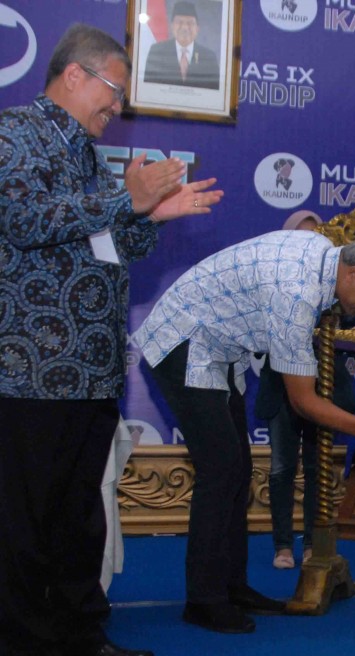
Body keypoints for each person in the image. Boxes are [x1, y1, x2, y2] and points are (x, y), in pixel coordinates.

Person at [0, 23, 222, 656]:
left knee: (78, 519)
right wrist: (124, 199)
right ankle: (21, 641)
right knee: (25, 521)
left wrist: (148, 214)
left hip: (91, 372)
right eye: (114, 92)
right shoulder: (15, 134)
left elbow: (111, 249)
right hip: (31, 370)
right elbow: (21, 221)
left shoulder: (88, 156)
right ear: (75, 75)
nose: (117, 109)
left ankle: (78, 636)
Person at [134, 232, 355, 634]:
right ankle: (204, 599)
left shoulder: (322, 256)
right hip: (185, 341)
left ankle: (231, 586)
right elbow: (303, 402)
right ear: (352, 273)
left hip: (216, 350)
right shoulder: (296, 294)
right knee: (222, 470)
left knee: (238, 467)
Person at [255, 211, 355, 570]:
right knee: (282, 467)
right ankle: (283, 546)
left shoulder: (338, 282)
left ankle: (315, 544)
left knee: (318, 467)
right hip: (281, 387)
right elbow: (257, 338)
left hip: (324, 385)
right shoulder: (273, 281)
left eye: (316, 238)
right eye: (301, 238)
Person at [143, 1, 220, 90]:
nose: (185, 28)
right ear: (172, 26)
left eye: (190, 23)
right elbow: (149, 88)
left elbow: (213, 91)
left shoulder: (209, 57)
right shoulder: (157, 51)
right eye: (179, 22)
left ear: (197, 28)